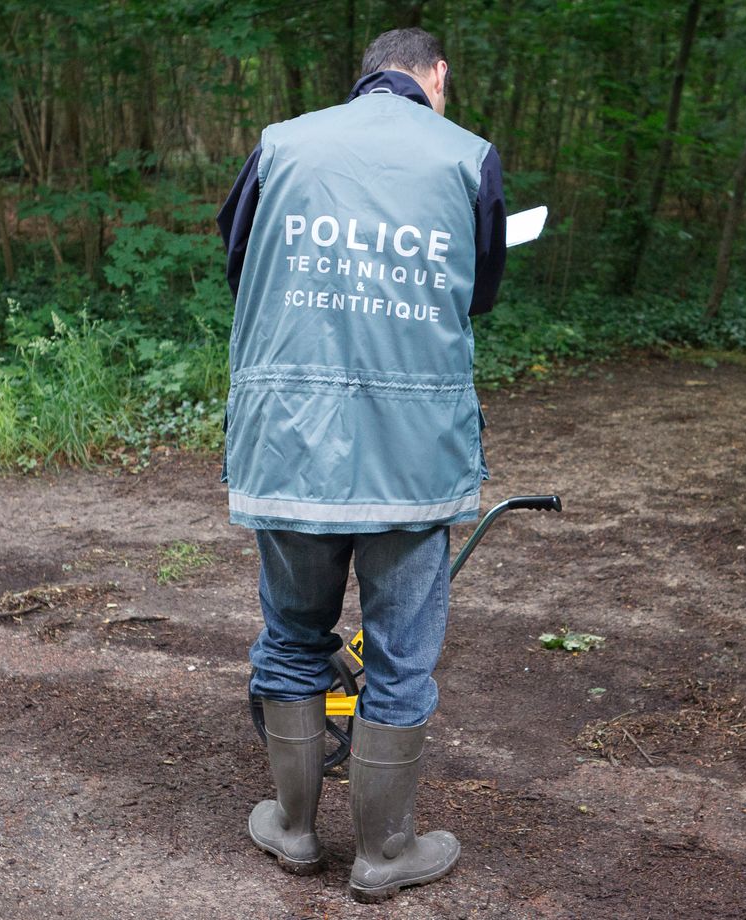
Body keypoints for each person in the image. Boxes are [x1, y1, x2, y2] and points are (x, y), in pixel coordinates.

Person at [216, 26, 506, 903]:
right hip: (411, 450)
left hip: (290, 437)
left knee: (294, 634)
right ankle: (386, 852)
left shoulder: (282, 143)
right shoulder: (468, 158)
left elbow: (244, 266)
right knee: (401, 654)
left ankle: (296, 829)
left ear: (366, 75)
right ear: (436, 76)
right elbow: (479, 291)